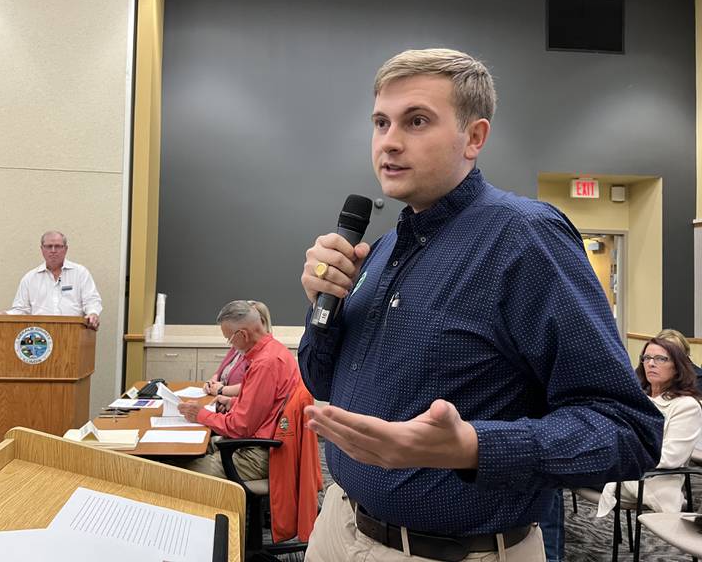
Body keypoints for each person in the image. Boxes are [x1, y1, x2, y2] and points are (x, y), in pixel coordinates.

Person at [297, 48, 664, 561]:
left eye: (416, 121)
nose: (390, 142)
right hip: (339, 525)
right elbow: (321, 381)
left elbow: (628, 431)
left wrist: (472, 447)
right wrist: (323, 308)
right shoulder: (380, 251)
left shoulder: (524, 238)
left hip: (453, 551)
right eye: (380, 123)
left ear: (474, 137)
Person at [177, 300, 297, 480]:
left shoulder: (264, 365)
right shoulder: (272, 351)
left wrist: (200, 414)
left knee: (178, 471)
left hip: (255, 454)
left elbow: (240, 427)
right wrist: (233, 402)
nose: (230, 345)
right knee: (185, 451)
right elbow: (264, 406)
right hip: (257, 443)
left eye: (230, 339)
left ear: (243, 335)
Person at [596, 337, 702, 516]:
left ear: (677, 367)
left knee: (563, 473)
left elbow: (670, 457)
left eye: (661, 359)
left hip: (651, 481)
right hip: (625, 470)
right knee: (564, 470)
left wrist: (621, 452)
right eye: (646, 358)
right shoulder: (642, 398)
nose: (651, 364)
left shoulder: (686, 406)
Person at [8, 231, 102, 329]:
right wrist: (5, 314)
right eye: (49, 246)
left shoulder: (80, 273)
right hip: (40, 336)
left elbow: (92, 300)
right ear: (42, 249)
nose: (53, 250)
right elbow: (21, 310)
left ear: (65, 249)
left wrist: (93, 313)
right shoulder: (30, 278)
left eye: (58, 246)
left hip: (74, 333)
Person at [203, 300, 272, 403]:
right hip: (225, 401)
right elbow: (221, 371)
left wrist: (221, 390)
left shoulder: (266, 356)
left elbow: (252, 388)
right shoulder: (237, 346)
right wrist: (212, 382)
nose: (230, 342)